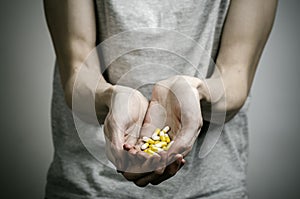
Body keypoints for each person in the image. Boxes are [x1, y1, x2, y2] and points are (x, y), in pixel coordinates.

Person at [44, 0, 277, 198]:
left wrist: (196, 92)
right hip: (88, 187)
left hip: (210, 189)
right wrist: (111, 97)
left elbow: (236, 74)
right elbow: (78, 66)